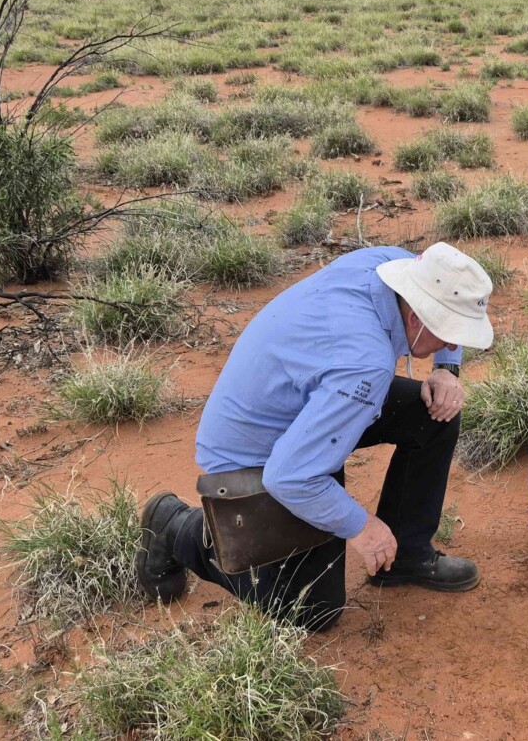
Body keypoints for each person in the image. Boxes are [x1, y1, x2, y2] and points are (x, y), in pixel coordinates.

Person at [135, 242, 495, 632]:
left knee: (434, 414)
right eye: (448, 334)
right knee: (312, 610)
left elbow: (434, 293)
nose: (455, 345)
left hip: (304, 409)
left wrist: (446, 369)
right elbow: (289, 476)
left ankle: (405, 555)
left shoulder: (393, 265)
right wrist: (363, 527)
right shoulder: (364, 364)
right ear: (418, 315)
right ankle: (176, 527)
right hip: (256, 453)